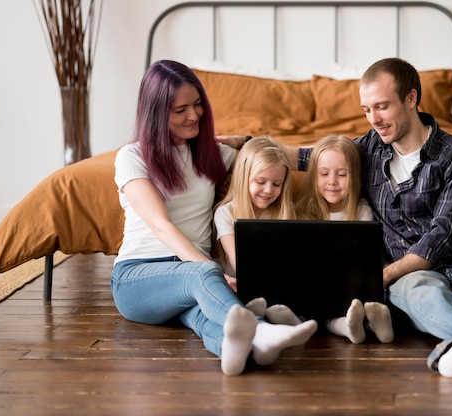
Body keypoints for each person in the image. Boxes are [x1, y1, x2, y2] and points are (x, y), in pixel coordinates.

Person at [292, 58, 452, 377]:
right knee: (424, 296)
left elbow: (444, 236)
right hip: (412, 276)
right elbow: (313, 156)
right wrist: (248, 146)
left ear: (411, 99)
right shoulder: (369, 149)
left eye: (381, 106)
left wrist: (382, 275)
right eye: (366, 110)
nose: (374, 119)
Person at [111, 60, 317, 377]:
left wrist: (242, 139)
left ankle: (248, 350)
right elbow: (161, 227)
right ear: (156, 113)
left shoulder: (213, 154)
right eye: (180, 110)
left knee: (205, 318)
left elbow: (266, 157)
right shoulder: (132, 157)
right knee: (203, 272)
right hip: (137, 279)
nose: (193, 116)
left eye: (197, 105)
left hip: (191, 283)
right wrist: (209, 271)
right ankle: (262, 330)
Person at [296, 135, 394, 344]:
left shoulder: (361, 211)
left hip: (349, 287)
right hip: (312, 289)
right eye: (324, 174)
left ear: (356, 177)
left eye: (342, 174)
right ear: (313, 176)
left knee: (362, 297)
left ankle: (370, 321)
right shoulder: (301, 211)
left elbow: (363, 260)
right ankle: (354, 326)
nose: (332, 181)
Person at [213, 135, 302, 325]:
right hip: (243, 283)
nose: (269, 190)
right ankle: (261, 314)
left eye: (277, 184)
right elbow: (235, 259)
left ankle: (282, 315)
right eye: (261, 182)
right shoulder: (225, 213)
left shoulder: (284, 211)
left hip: (279, 283)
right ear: (244, 176)